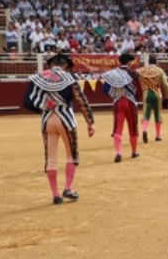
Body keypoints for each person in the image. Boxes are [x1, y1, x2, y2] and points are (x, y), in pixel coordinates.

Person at [22, 53, 95, 204]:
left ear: (50, 65)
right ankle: (68, 188)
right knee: (71, 154)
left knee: (51, 158)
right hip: (66, 119)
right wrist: (90, 122)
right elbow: (82, 100)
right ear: (66, 65)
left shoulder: (40, 78)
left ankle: (55, 194)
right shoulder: (70, 78)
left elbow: (27, 102)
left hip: (47, 120)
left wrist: (43, 108)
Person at [102, 53, 142, 162]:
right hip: (130, 102)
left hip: (118, 101)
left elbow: (105, 88)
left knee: (118, 128)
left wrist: (113, 95)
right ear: (129, 62)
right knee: (133, 127)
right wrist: (136, 99)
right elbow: (138, 91)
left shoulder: (113, 74)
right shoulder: (134, 74)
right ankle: (133, 152)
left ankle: (119, 152)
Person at [137, 55, 168, 143]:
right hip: (157, 94)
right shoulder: (160, 71)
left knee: (146, 114)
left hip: (146, 94)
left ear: (148, 61)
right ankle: (158, 136)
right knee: (158, 114)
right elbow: (166, 85)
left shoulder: (141, 71)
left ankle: (144, 129)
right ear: (156, 62)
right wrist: (167, 97)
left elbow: (137, 82)